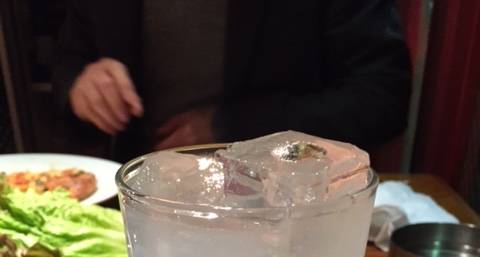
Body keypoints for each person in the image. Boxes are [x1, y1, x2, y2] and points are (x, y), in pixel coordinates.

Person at [52, 0, 412, 161]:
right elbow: (70, 58)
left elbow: (383, 96)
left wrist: (234, 127)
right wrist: (79, 85)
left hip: (284, 207)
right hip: (139, 199)